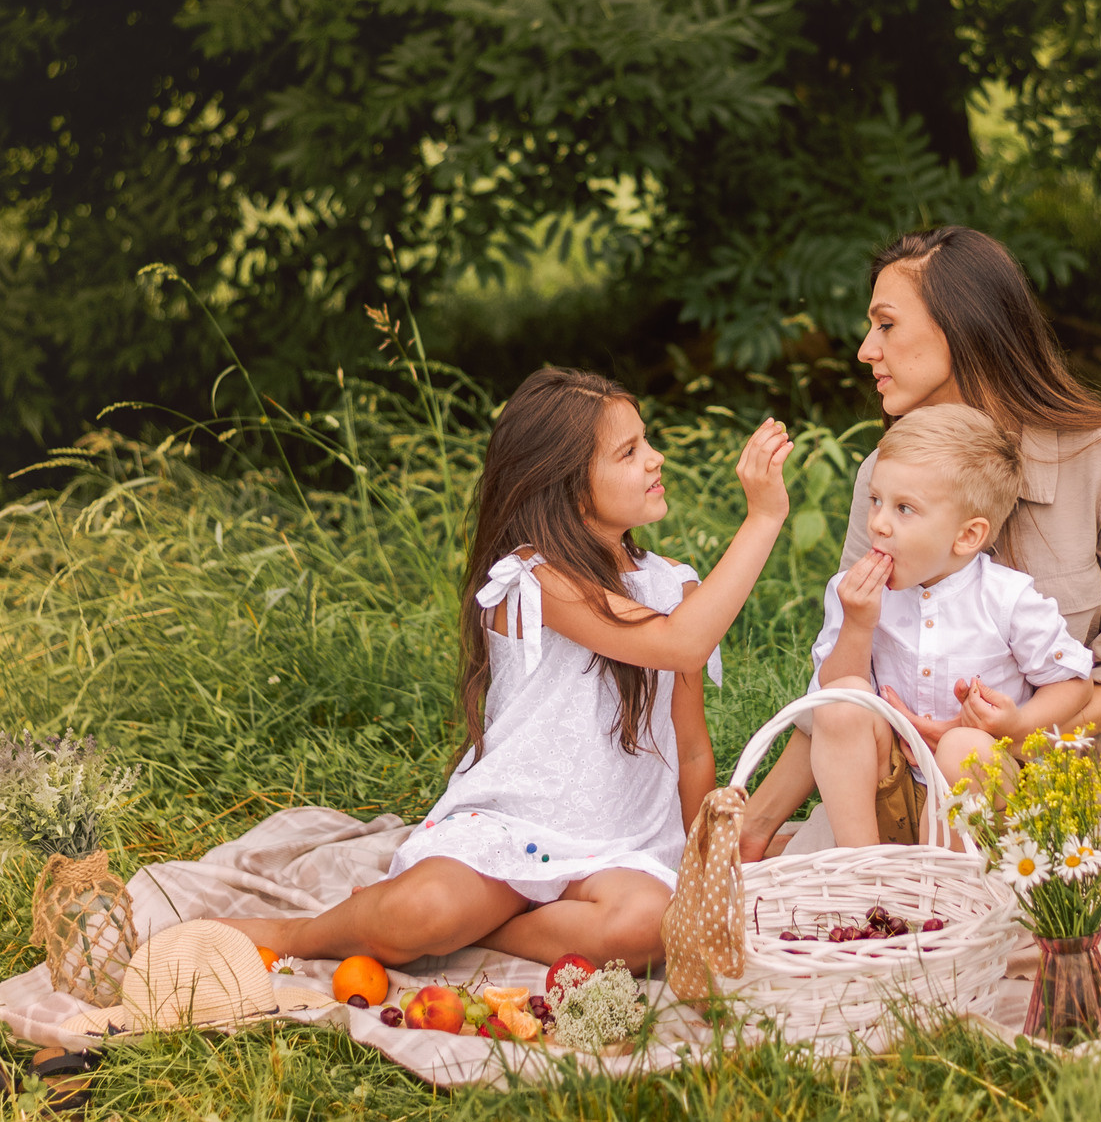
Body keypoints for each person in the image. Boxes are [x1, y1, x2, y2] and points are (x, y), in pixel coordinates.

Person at [738, 228, 1101, 914]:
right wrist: (760, 820)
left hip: (1066, 788)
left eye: (886, 325)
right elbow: (848, 681)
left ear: (963, 329)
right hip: (910, 792)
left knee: (1022, 919)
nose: (866, 350)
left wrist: (1015, 729)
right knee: (817, 921)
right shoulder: (883, 477)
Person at [230, 368, 794, 971]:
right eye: (630, 452)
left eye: (646, 441)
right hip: (513, 825)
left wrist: (701, 854)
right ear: (569, 488)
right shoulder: (533, 578)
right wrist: (761, 518)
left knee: (647, 926)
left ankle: (486, 932)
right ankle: (295, 935)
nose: (655, 460)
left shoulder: (673, 585)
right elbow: (680, 644)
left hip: (622, 844)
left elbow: (690, 748)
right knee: (419, 911)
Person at [747, 403, 1096, 846]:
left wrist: (1013, 723)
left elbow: (1075, 684)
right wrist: (857, 623)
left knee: (960, 749)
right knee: (845, 702)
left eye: (904, 509)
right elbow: (829, 700)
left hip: (981, 805)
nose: (878, 523)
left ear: (967, 536)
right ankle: (864, 869)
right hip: (890, 788)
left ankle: (942, 886)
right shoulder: (854, 593)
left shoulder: (1008, 599)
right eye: (876, 501)